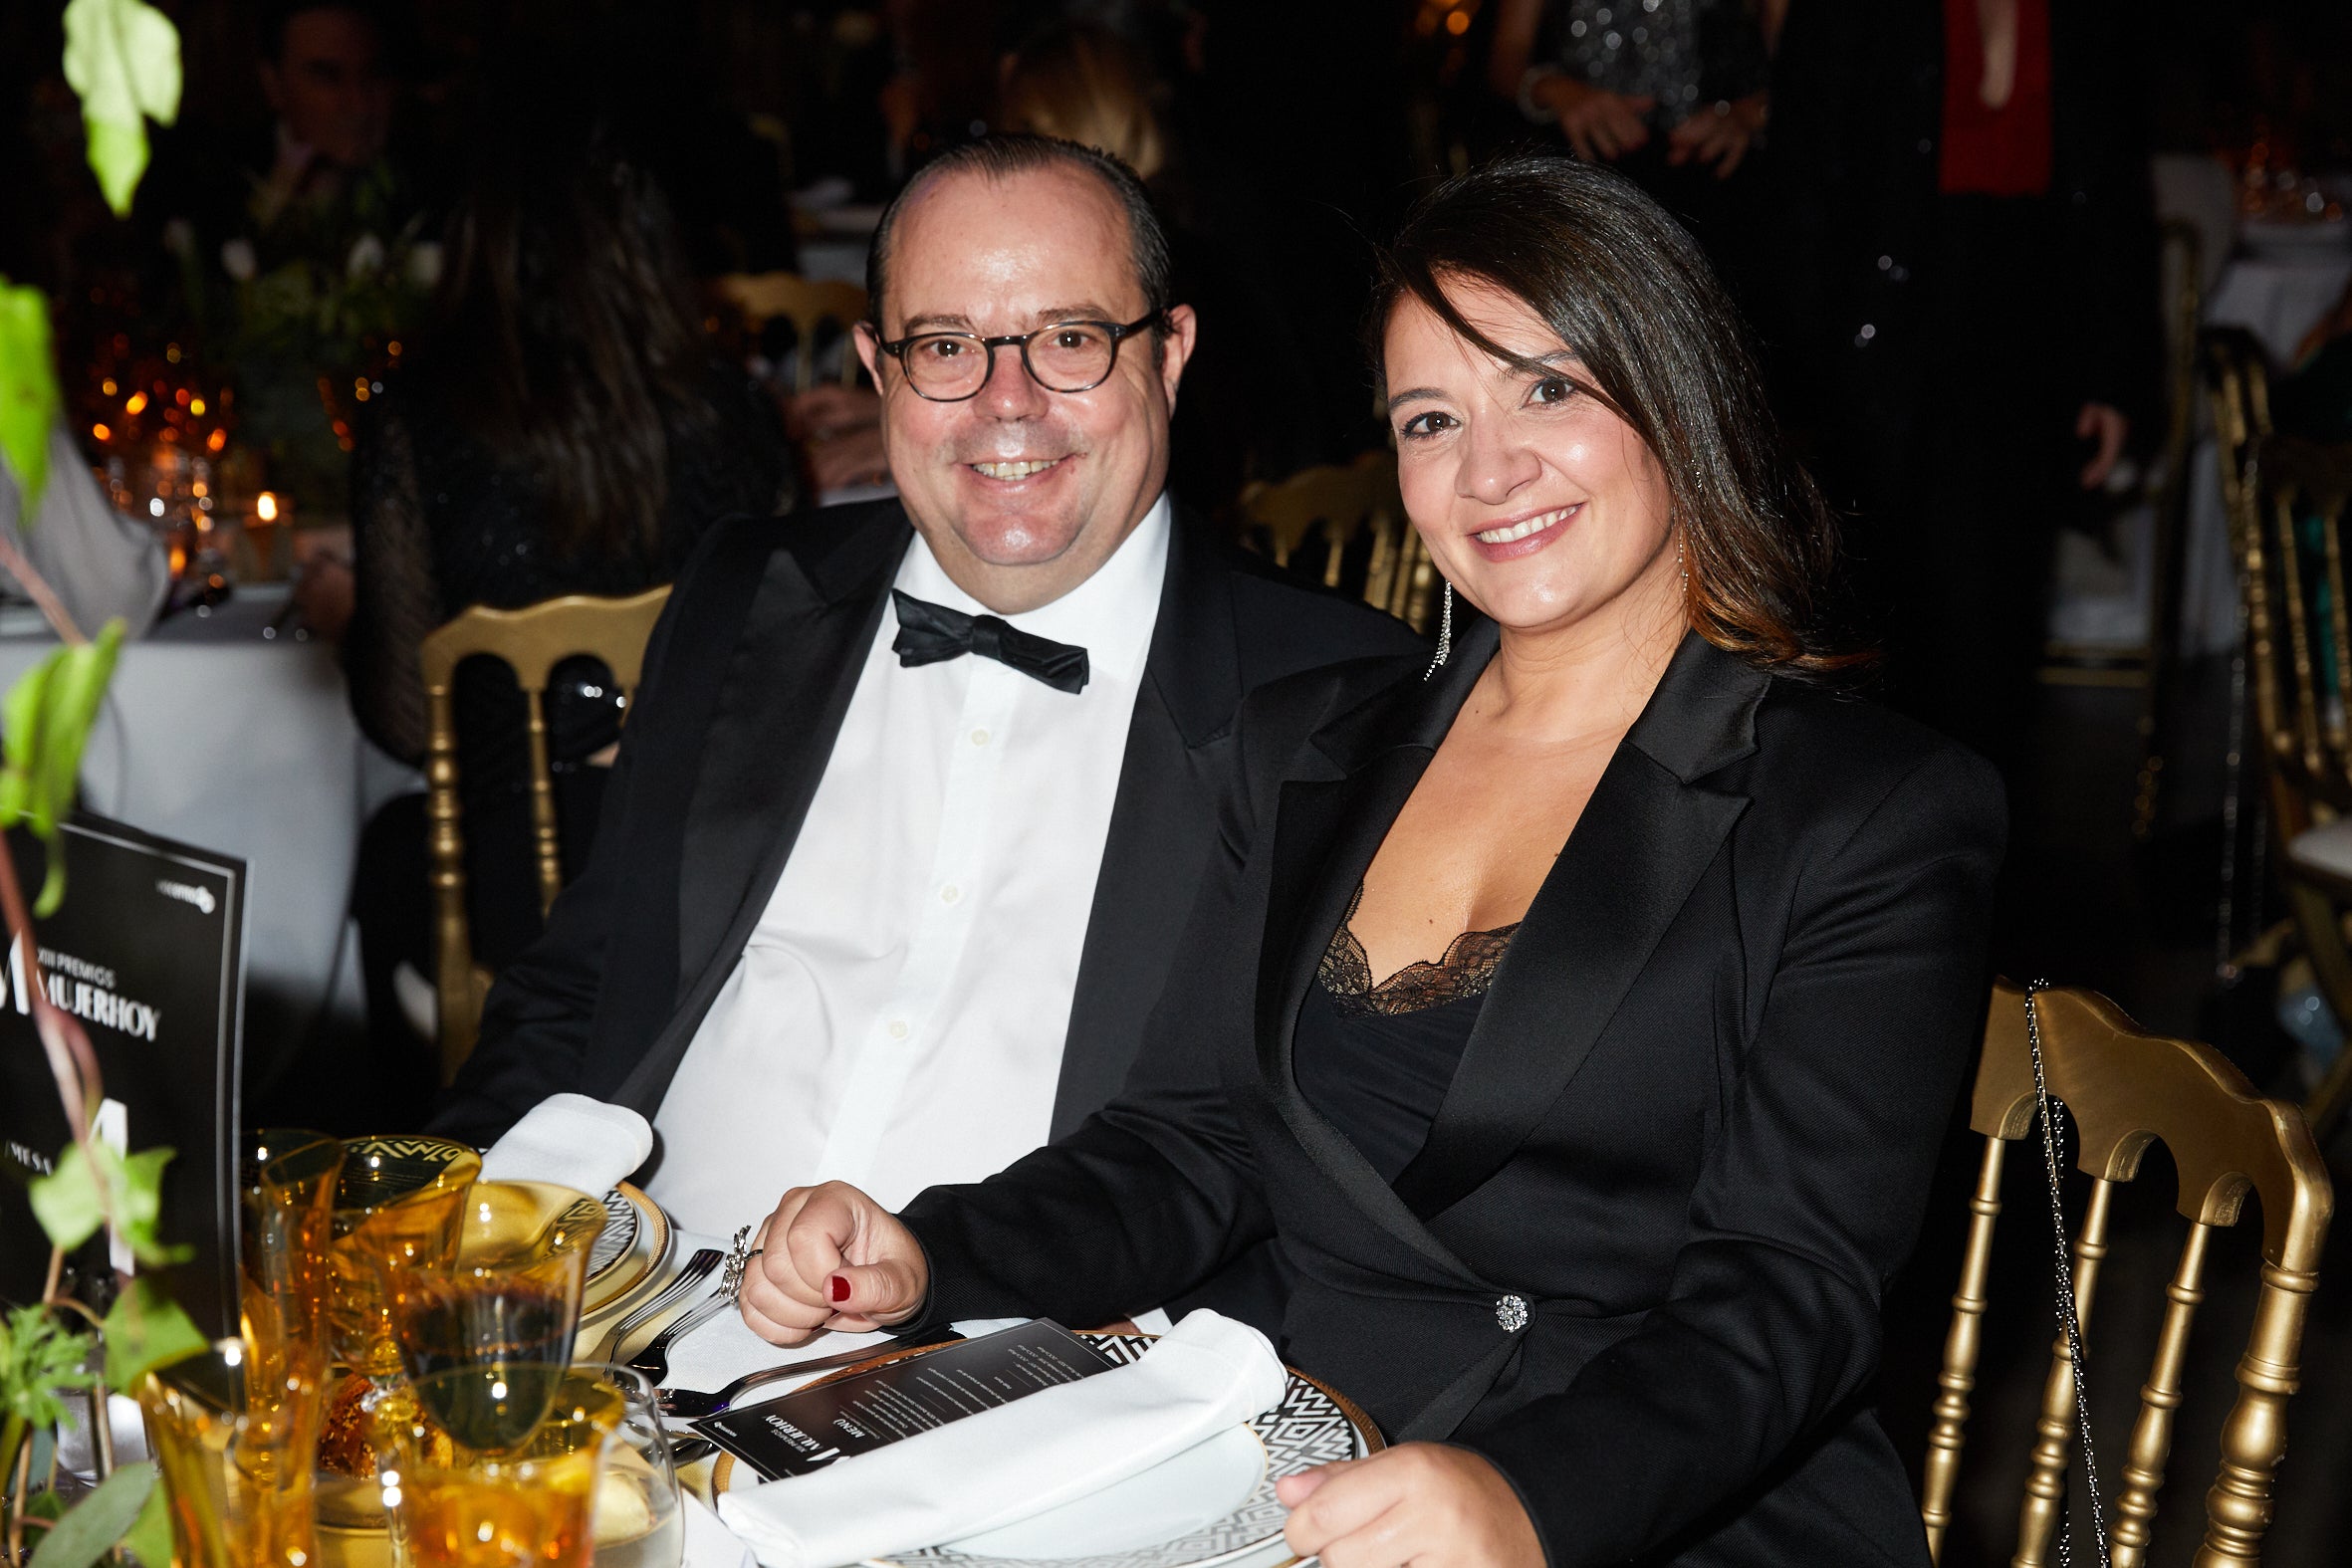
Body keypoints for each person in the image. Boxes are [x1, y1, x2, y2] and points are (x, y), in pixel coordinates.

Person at [742, 156, 2006, 1568]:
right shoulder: (1313, 748)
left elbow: (1784, 1295)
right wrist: (931, 1251)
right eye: (1428, 417)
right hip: (1282, 1458)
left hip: (1645, 1502)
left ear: (1675, 393)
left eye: (1548, 389)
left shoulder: (1867, 808)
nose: (1487, 467)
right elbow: (1189, 1144)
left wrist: (1522, 1495)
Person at [431, 135, 1424, 1327]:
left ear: (1169, 355)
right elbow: (581, 987)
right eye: (945, 346)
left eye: (1068, 339)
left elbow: (1232, 1151)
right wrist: (440, 1232)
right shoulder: (750, 593)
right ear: (877, 368)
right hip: (630, 1318)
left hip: (1016, 1361)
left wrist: (932, 1261)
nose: (1007, 402)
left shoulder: (1333, 693)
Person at [309, 89, 794, 1130]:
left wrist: (347, 617)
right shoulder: (735, 413)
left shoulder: (418, 423)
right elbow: (784, 662)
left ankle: (434, 1147)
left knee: (392, 852)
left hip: (517, 887)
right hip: (696, 867)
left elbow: (401, 720)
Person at [1766, 0, 2158, 783]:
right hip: (1878, 330)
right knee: (1882, 611)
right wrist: (1800, 374)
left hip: (2027, 335)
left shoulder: (2088, 19)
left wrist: (2113, 371)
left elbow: (2112, 182)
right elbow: (1802, 179)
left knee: (2000, 616)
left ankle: (1981, 844)